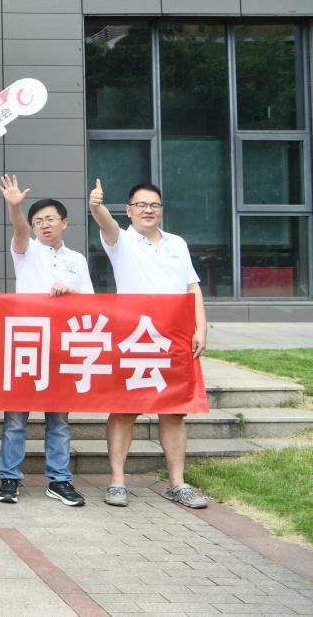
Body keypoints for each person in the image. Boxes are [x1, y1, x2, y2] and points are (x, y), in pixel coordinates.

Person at [90, 179, 209, 510]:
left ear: (161, 210)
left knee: (174, 411)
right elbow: (106, 223)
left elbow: (192, 287)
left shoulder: (176, 243)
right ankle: (117, 481)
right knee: (125, 409)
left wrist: (201, 328)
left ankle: (177, 484)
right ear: (129, 210)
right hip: (134, 336)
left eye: (154, 205)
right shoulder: (121, 240)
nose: (148, 210)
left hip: (175, 337)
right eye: (140, 205)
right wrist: (97, 206)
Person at [0, 176, 92, 507]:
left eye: (50, 219)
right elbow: (19, 229)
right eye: (38, 221)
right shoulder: (26, 250)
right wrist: (14, 206)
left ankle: (60, 480)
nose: (44, 225)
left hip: (62, 346)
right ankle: (9, 478)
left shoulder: (77, 260)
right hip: (26, 343)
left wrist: (70, 292)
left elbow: (90, 303)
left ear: (64, 222)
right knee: (15, 419)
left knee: (59, 420)